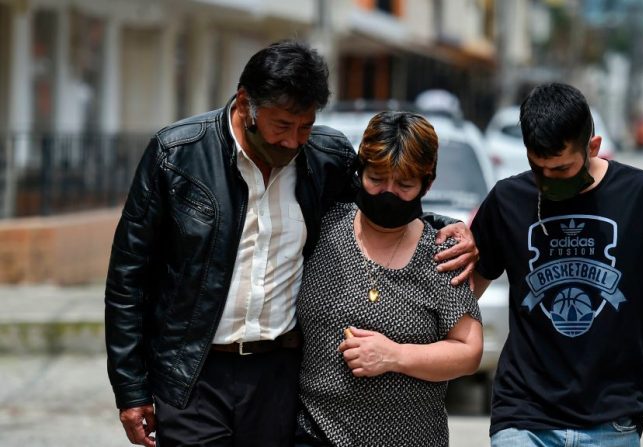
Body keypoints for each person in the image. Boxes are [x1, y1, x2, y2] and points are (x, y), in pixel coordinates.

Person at [104, 40, 478, 447]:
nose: (293, 141)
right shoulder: (177, 155)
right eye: (282, 126)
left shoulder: (324, 157)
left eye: (305, 126)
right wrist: (131, 389)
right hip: (194, 371)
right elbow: (128, 278)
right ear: (246, 103)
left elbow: (385, 201)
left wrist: (448, 226)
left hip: (278, 376)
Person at [470, 82, 643, 447]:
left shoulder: (642, 195)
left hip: (611, 420)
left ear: (593, 147)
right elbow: (466, 293)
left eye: (562, 169)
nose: (548, 181)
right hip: (523, 415)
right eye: (539, 168)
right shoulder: (507, 199)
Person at [294, 111, 483, 447]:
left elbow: (468, 350)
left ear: (428, 183)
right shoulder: (322, 227)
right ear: (359, 171)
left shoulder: (443, 251)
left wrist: (394, 356)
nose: (388, 193)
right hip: (315, 433)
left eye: (404, 185)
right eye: (376, 179)